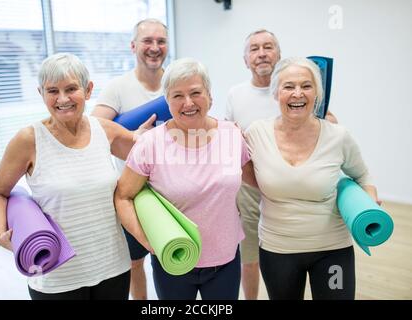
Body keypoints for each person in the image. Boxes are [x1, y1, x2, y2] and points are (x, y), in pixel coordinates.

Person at [0, 53, 155, 300]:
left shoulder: (103, 129)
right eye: (52, 90)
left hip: (113, 268)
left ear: (88, 90)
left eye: (71, 88)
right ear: (41, 93)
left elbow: (143, 152)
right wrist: (1, 234)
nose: (62, 99)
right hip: (56, 278)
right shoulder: (29, 140)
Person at [114, 58, 256, 300]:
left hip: (225, 259)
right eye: (177, 95)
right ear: (166, 101)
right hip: (172, 260)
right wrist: (148, 241)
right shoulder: (151, 143)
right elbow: (123, 196)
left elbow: (259, 179)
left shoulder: (232, 135)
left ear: (210, 96)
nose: (188, 103)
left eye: (195, 93)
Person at [244, 57, 380, 299]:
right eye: (288, 86)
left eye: (306, 86)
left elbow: (363, 175)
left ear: (317, 92)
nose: (298, 94)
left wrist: (369, 202)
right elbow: (235, 164)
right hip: (278, 250)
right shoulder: (256, 133)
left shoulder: (338, 136)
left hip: (332, 249)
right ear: (276, 93)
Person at [225, 29, 338, 300]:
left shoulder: (297, 89)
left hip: (294, 184)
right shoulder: (235, 94)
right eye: (254, 48)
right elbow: (230, 134)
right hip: (251, 184)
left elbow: (327, 123)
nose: (262, 53)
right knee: (249, 254)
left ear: (279, 55)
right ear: (245, 60)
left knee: (297, 250)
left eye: (268, 47)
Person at [91, 18, 168, 300]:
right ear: (133, 46)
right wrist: (132, 134)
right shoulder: (118, 87)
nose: (154, 47)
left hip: (173, 189)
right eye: (148, 41)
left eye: (161, 41)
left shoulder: (175, 83)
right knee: (136, 262)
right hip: (132, 193)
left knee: (169, 258)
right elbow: (92, 129)